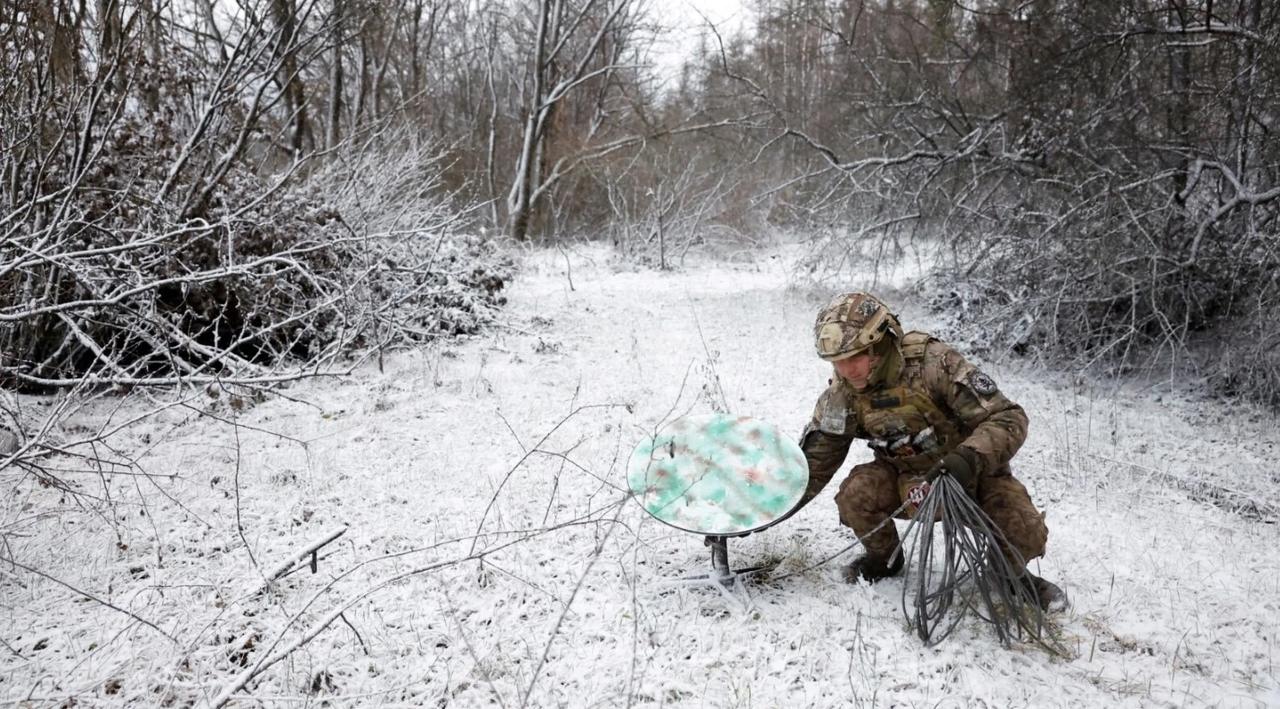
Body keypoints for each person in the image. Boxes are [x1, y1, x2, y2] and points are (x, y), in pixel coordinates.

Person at [797, 292, 1066, 611]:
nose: (845, 370)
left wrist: (967, 459)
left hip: (971, 475)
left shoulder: (933, 364)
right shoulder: (842, 393)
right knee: (855, 495)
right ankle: (884, 560)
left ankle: (1010, 576)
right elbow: (816, 462)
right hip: (904, 479)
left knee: (1024, 530)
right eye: (837, 362)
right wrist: (763, 511)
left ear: (880, 345)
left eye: (854, 357)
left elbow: (1008, 417)